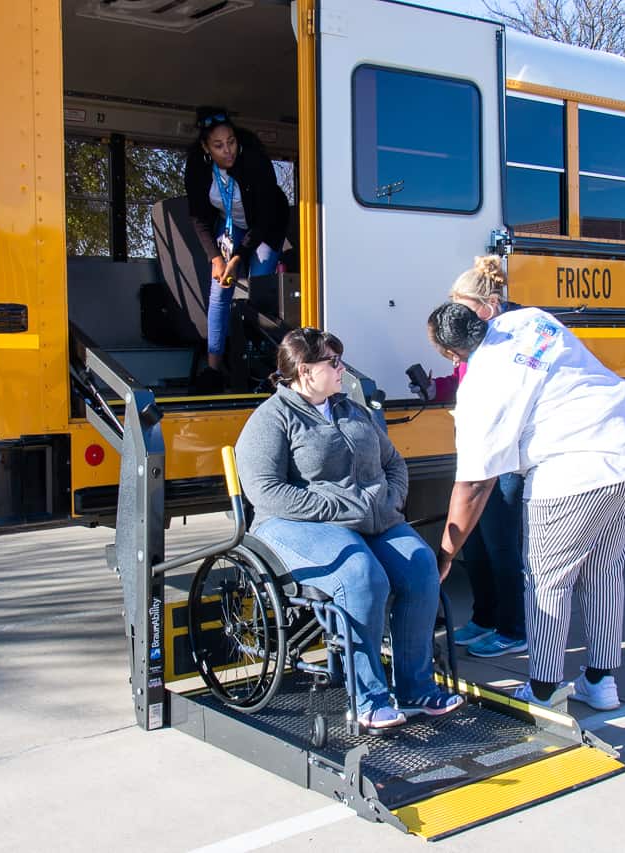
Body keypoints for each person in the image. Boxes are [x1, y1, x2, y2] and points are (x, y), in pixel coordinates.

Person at [428, 300, 625, 711]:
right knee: (603, 567)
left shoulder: (481, 385)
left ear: (453, 355)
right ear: (481, 318)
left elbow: (473, 486)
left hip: (575, 468)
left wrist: (445, 556)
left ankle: (543, 690)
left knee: (546, 581)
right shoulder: (529, 319)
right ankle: (600, 679)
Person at [235, 328, 465, 730]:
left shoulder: (351, 409)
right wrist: (336, 508)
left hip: (372, 518)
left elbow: (394, 463)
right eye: (334, 362)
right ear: (305, 372)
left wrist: (389, 500)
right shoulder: (272, 419)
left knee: (420, 564)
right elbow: (265, 491)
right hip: (294, 523)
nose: (342, 369)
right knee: (361, 575)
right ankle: (369, 698)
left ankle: (415, 687)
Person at [420, 257, 527, 659]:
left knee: (502, 543)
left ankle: (514, 627)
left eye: (463, 307)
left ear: (489, 304)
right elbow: (466, 378)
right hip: (483, 448)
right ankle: (485, 618)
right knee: (478, 542)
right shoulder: (476, 337)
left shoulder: (509, 339)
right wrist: (440, 385)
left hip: (508, 456)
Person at [184, 107, 290, 375]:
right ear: (206, 148)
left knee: (260, 287)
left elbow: (266, 217)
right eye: (219, 146)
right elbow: (199, 218)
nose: (227, 150)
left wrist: (239, 257)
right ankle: (213, 367)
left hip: (266, 227)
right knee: (219, 290)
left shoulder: (255, 161)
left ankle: (266, 364)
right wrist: (217, 259)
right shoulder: (197, 167)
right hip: (231, 225)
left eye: (231, 142)